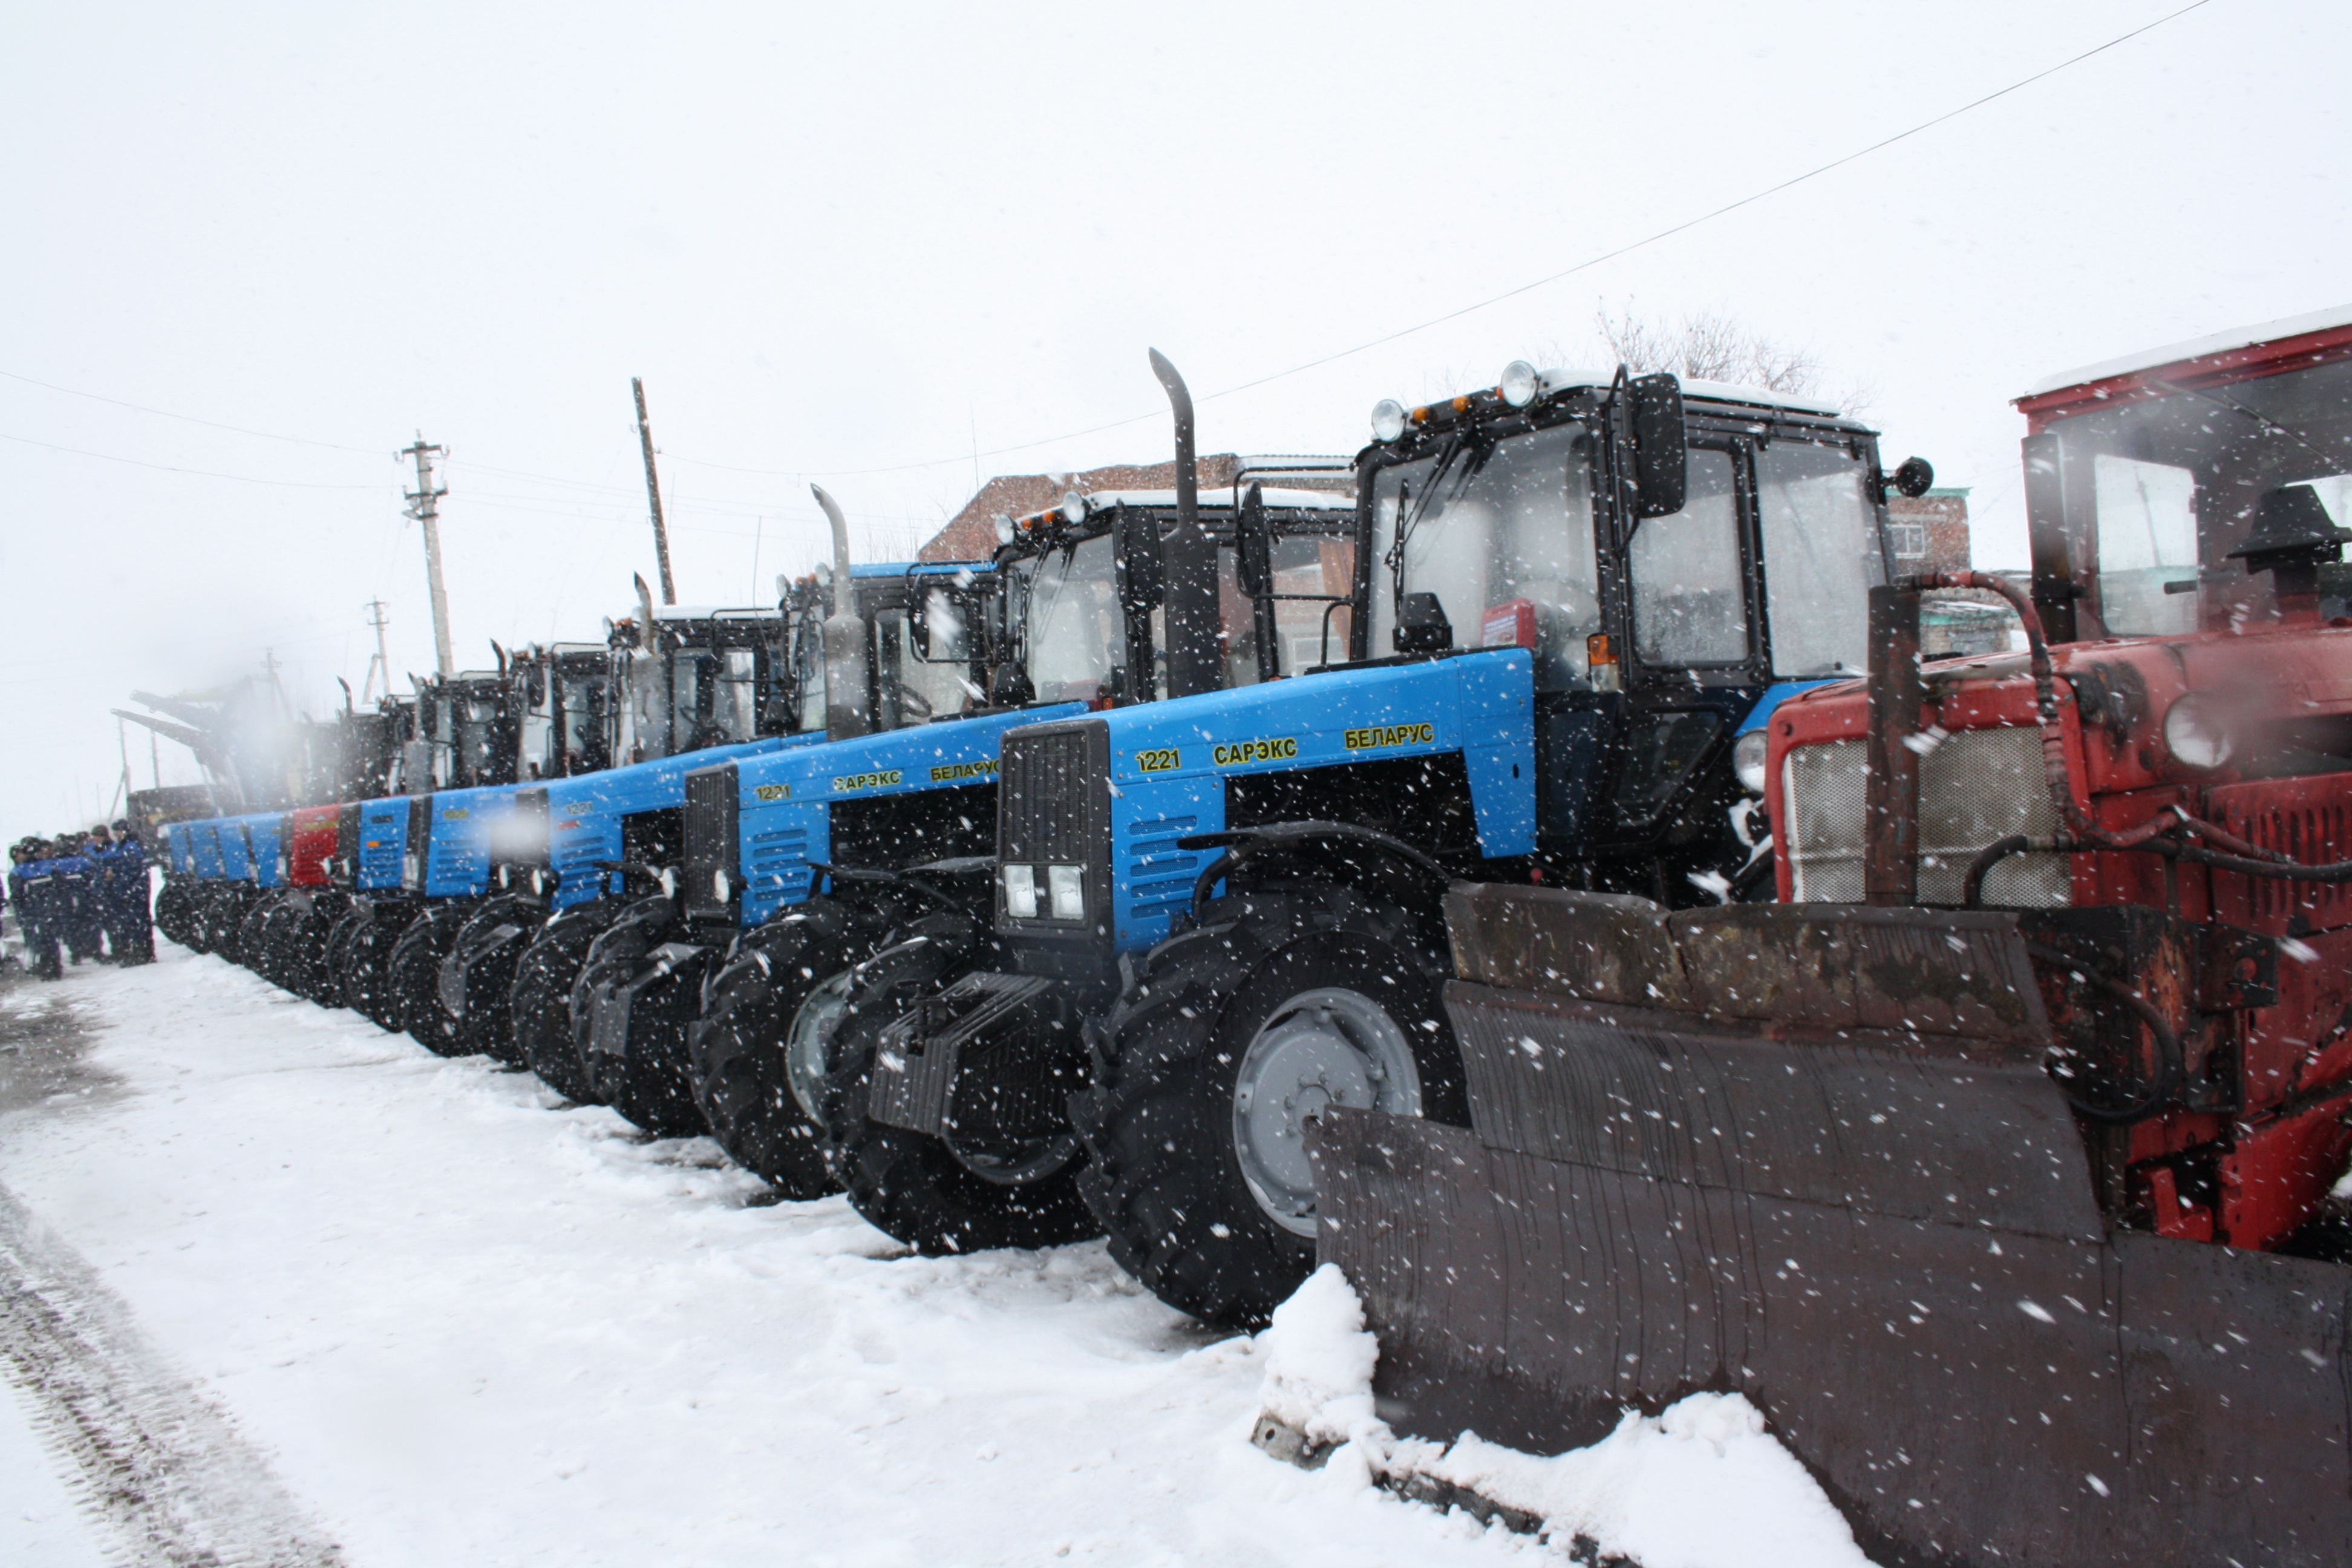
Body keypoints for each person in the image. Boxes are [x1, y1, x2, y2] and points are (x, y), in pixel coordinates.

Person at [105, 819, 154, 964]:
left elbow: (131, 870)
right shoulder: (126, 846)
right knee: (135, 922)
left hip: (133, 891)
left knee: (137, 922)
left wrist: (127, 888)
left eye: (117, 831)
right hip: (130, 889)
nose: (115, 834)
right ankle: (142, 952)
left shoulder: (130, 847)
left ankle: (142, 953)